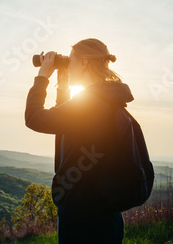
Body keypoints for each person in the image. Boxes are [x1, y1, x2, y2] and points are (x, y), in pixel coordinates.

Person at [25, 38, 135, 243]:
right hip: (107, 213)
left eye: (71, 60)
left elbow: (34, 118)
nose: (69, 64)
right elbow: (67, 124)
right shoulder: (109, 100)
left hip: (82, 214)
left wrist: (42, 77)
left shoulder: (91, 103)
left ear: (84, 62)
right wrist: (63, 84)